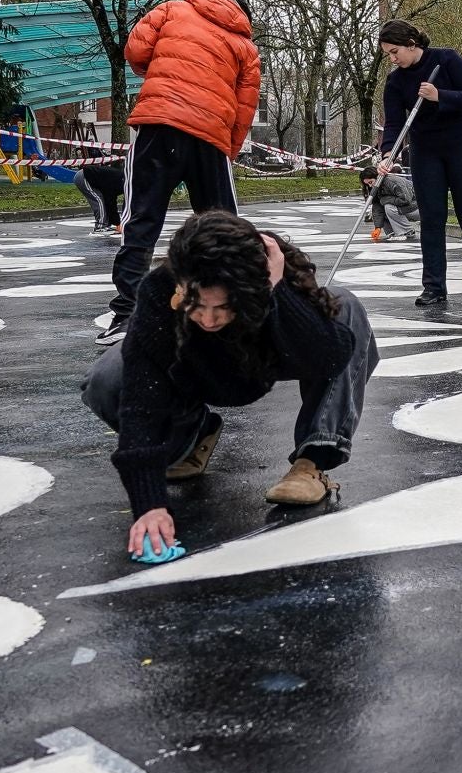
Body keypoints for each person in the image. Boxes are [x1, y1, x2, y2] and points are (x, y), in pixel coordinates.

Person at [82, 211, 379, 556]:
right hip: (204, 370)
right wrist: (149, 505)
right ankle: (190, 434)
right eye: (197, 305)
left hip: (272, 357)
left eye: (222, 307)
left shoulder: (276, 276)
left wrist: (276, 291)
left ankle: (313, 460)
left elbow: (329, 359)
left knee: (345, 308)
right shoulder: (159, 291)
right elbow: (139, 401)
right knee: (108, 376)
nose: (208, 319)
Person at [98, 0, 261, 346]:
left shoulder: (172, 9)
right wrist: (227, 152)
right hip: (211, 134)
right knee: (223, 227)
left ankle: (128, 312)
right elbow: (246, 105)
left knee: (140, 218)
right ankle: (235, 311)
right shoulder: (245, 47)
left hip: (160, 123)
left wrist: (161, 72)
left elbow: (136, 52)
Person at [375, 22, 462, 308]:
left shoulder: (446, 59)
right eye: (388, 54)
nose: (393, 59)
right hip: (426, 150)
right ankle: (434, 287)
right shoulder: (395, 82)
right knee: (431, 218)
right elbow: (393, 123)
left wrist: (440, 96)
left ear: (411, 43)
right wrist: (387, 152)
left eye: (395, 51)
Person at [358, 163, 419, 241]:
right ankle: (392, 233)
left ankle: (407, 232)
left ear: (377, 177)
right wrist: (378, 227)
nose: (370, 186)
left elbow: (406, 199)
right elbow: (377, 207)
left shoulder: (392, 181)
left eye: (370, 182)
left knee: (388, 207)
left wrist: (384, 200)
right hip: (409, 209)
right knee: (383, 207)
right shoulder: (378, 187)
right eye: (367, 184)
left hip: (419, 207)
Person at [76, 160, 126, 234]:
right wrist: (117, 223)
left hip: (90, 177)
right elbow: (111, 200)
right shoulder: (120, 181)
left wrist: (117, 222)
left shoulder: (123, 181)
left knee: (103, 200)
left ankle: (106, 224)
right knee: (99, 201)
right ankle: (100, 227)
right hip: (84, 176)